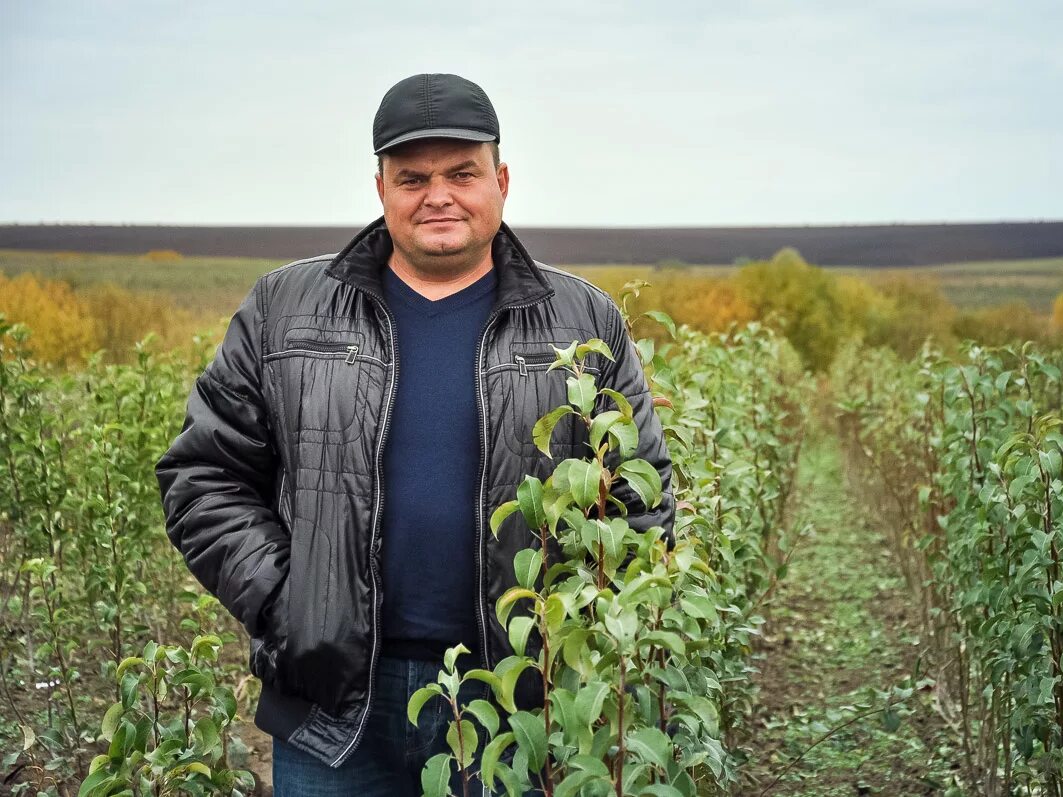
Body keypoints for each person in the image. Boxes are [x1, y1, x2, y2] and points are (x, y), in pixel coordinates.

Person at [155, 73, 675, 796]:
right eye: (413, 177)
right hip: (332, 706)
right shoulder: (284, 309)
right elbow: (202, 474)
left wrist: (575, 644)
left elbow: (640, 498)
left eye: (462, 173)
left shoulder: (583, 320)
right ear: (381, 190)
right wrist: (287, 598)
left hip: (517, 700)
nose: (438, 194)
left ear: (501, 180)